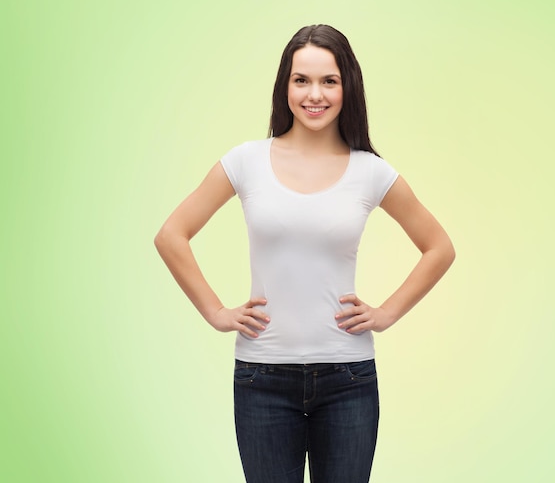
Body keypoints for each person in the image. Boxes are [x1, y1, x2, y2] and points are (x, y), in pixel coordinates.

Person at [155, 24, 455, 483]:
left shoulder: (370, 172)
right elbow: (172, 234)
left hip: (348, 380)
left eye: (328, 81)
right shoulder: (246, 161)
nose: (315, 94)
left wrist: (388, 313)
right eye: (302, 80)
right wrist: (215, 311)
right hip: (262, 380)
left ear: (346, 86)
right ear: (286, 86)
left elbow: (439, 247)